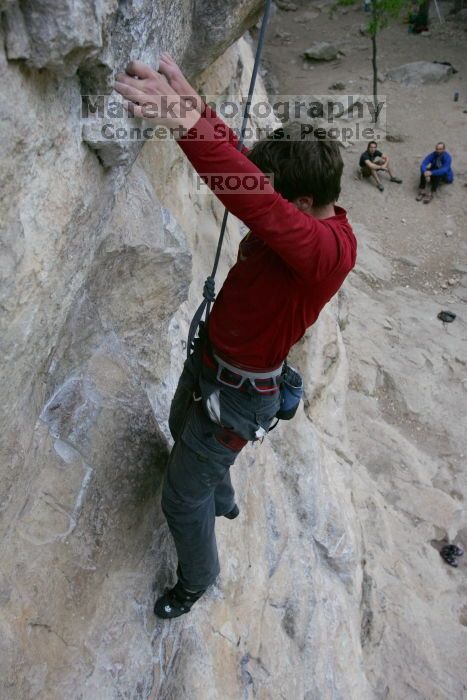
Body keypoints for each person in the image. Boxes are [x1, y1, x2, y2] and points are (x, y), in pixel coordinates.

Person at [115, 54, 357, 619]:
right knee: (181, 430)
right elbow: (251, 173)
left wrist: (181, 122)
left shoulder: (326, 252)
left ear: (298, 204)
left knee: (180, 496)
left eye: (277, 194)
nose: (266, 192)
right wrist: (196, 108)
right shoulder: (303, 212)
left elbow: (250, 194)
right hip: (215, 362)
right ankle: (219, 496)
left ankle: (198, 579)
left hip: (241, 396)